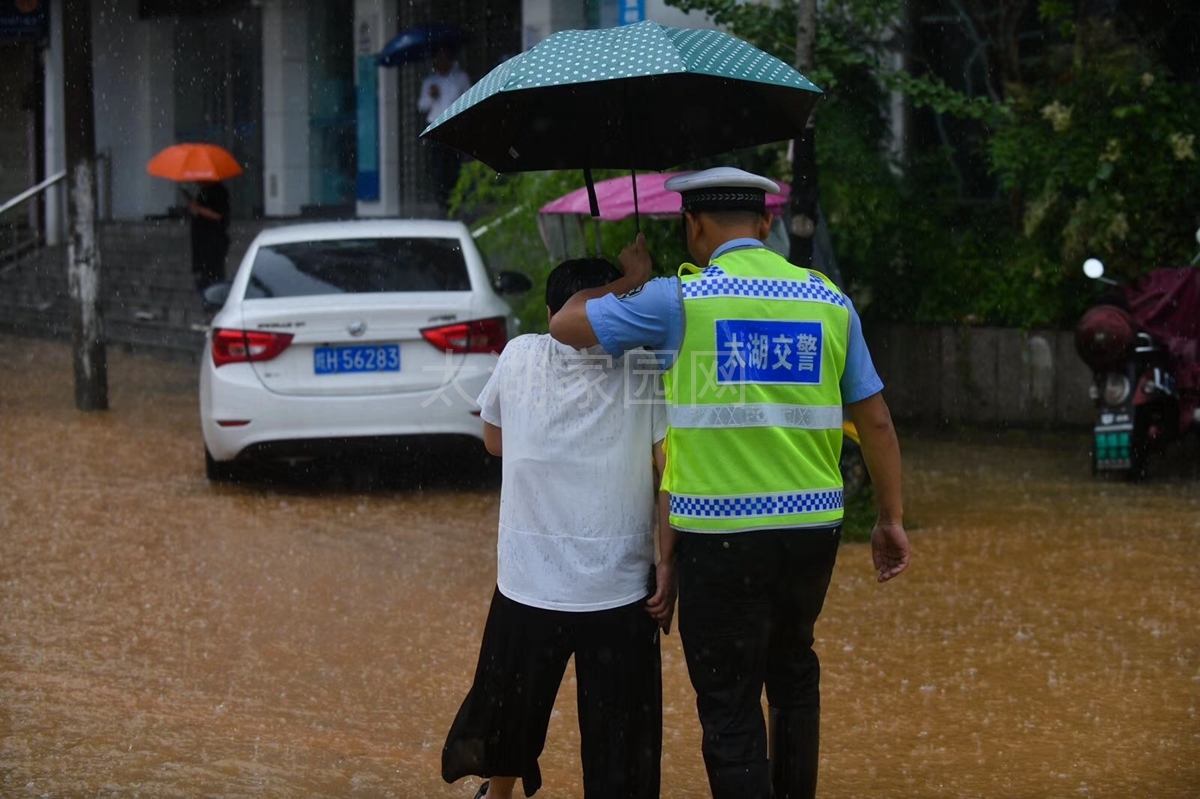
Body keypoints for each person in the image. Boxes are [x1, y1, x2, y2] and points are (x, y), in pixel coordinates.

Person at [548, 167, 911, 799]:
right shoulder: (829, 300)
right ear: (767, 224)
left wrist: (630, 279)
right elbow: (876, 421)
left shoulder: (677, 300)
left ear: (693, 226)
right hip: (812, 529)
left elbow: (564, 323)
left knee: (729, 705)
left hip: (720, 538)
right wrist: (890, 519)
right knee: (793, 676)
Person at [441, 258, 670, 799]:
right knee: (620, 744)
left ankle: (497, 795)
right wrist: (669, 562)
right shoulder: (643, 365)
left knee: (510, 712)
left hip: (529, 584)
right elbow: (669, 472)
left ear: (551, 313)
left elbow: (494, 440)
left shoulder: (519, 354)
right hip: (618, 590)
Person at [418, 45, 472, 210]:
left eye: (445, 58)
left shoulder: (460, 78)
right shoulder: (430, 82)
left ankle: (455, 198)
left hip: (454, 126)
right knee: (438, 165)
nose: (442, 62)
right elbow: (422, 106)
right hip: (436, 126)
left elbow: (470, 98)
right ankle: (442, 199)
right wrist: (431, 96)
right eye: (439, 59)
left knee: (454, 165)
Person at [186, 180, 231, 297]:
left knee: (214, 277)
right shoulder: (203, 192)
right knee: (203, 279)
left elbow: (218, 215)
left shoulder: (220, 192)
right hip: (201, 245)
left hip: (213, 243)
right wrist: (194, 208)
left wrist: (199, 209)